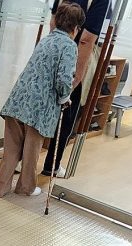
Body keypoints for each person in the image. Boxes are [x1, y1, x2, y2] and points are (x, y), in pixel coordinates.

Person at [0, 2, 85, 198]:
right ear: (76, 28)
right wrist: (65, 97)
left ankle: (0, 188)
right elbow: (63, 79)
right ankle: (25, 188)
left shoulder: (46, 39)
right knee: (31, 151)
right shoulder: (69, 46)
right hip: (39, 109)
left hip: (17, 101)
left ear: (56, 21)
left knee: (11, 149)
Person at [42, 0, 110, 177]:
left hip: (50, 52)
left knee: (40, 109)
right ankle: (52, 165)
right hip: (75, 57)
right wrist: (78, 75)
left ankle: (22, 163)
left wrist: (53, 51)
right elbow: (86, 40)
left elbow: (53, 22)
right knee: (67, 116)